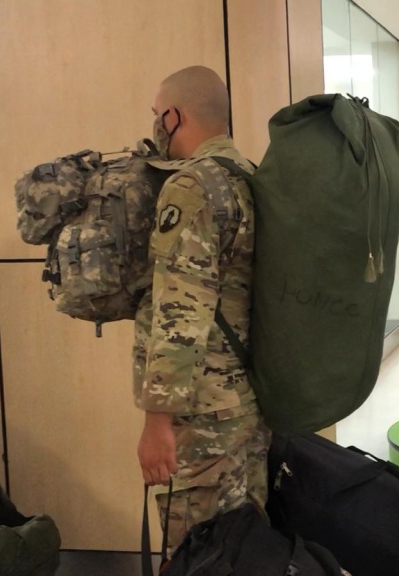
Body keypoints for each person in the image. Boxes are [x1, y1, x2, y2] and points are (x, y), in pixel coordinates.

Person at [133, 65, 266, 552]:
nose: (154, 124)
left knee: (198, 551)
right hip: (249, 400)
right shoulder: (250, 175)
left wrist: (158, 421)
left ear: (173, 116)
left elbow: (180, 312)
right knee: (247, 542)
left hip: (202, 412)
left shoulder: (192, 187)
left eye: (156, 114)